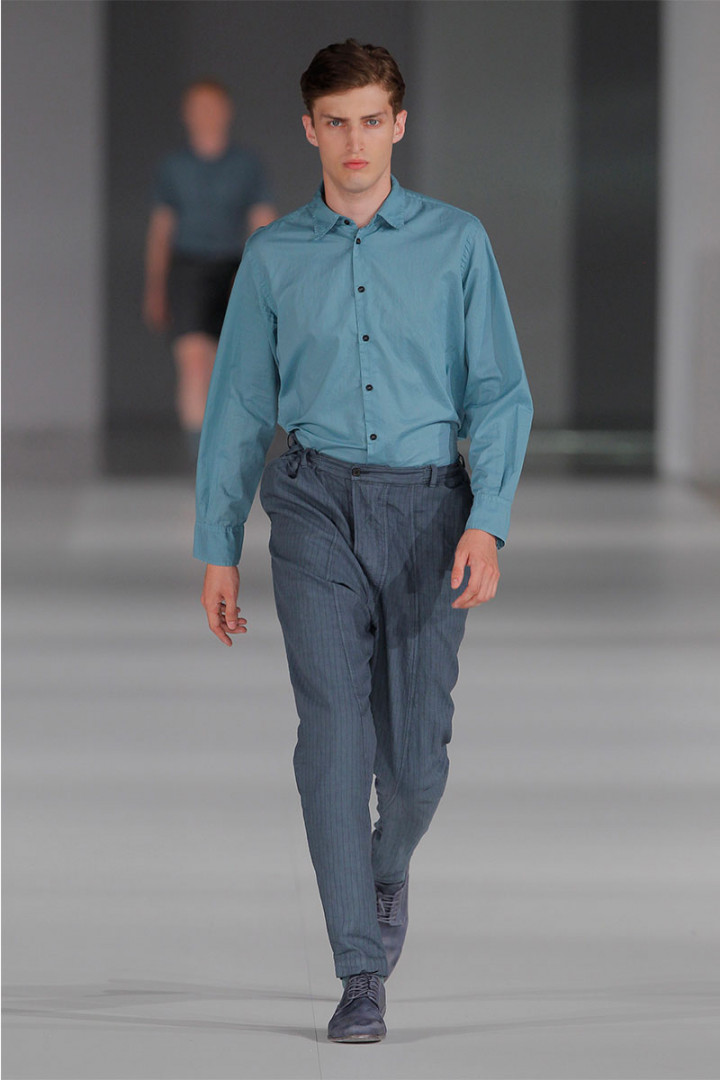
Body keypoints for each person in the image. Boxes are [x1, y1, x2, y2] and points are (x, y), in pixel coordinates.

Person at [193, 39, 534, 1043]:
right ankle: (359, 971)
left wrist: (489, 520)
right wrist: (218, 544)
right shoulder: (273, 257)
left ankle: (385, 870)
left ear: (398, 125)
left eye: (371, 120)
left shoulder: (457, 243)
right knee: (333, 736)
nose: (355, 140)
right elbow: (238, 406)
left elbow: (500, 393)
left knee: (417, 762)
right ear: (309, 129)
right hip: (313, 507)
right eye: (335, 122)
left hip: (430, 510)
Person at [143, 78, 277, 464]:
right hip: (186, 269)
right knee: (193, 362)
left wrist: (259, 276)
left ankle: (224, 452)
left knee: (226, 366)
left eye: (212, 106)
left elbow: (263, 223)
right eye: (197, 108)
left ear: (226, 111)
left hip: (232, 268)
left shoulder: (247, 165)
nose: (205, 115)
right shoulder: (173, 167)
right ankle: (200, 458)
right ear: (186, 114)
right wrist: (156, 286)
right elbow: (162, 229)